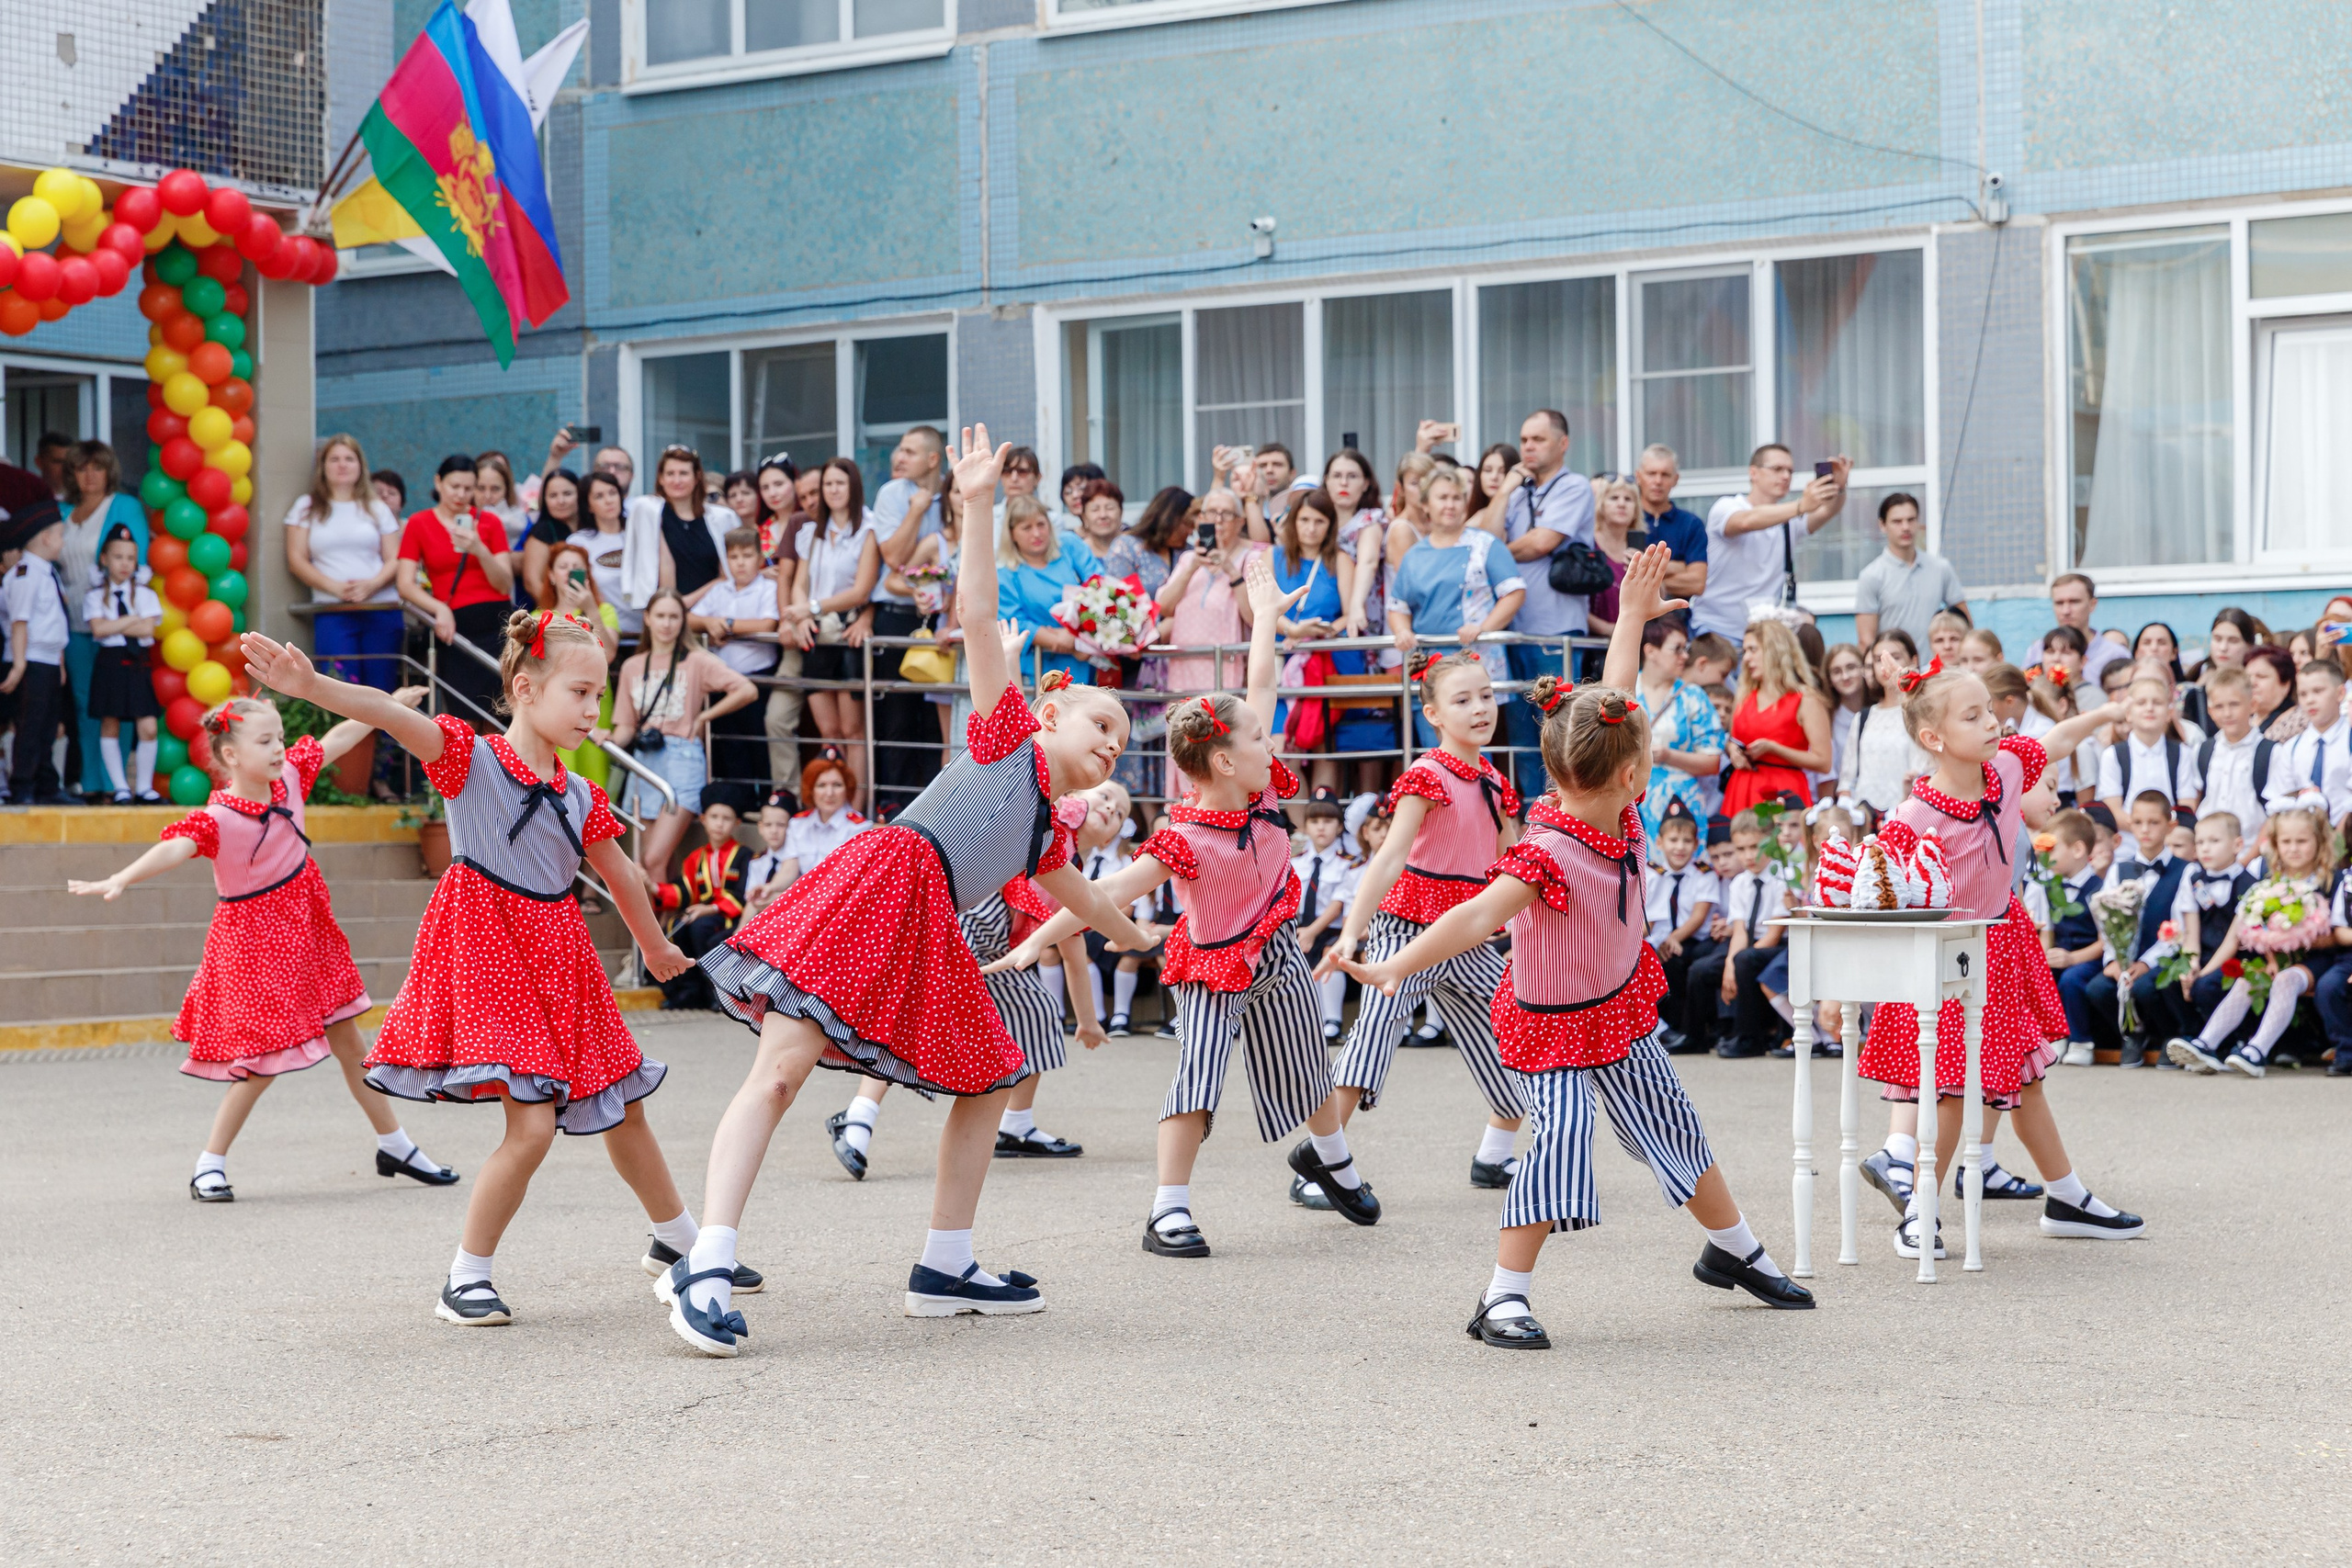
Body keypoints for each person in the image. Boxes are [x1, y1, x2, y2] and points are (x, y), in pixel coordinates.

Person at [684, 428, 1148, 1348]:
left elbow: (1087, 906)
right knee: (779, 1072)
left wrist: (1142, 943)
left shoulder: (1046, 831)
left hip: (923, 918)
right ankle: (706, 1262)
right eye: (1100, 722)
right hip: (880, 883)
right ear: (1049, 711)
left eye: (1122, 742)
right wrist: (975, 505)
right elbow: (977, 617)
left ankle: (946, 1261)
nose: (1109, 744)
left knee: (991, 1073)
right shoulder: (1004, 732)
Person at [1341, 547, 1813, 1348]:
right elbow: (1472, 919)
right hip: (1553, 1025)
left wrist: (1631, 614)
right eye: (1647, 759)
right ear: (1633, 778)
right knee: (1558, 1143)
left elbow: (1616, 701)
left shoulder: (1608, 805)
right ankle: (1501, 1296)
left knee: (1673, 1122)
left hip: (1616, 1010)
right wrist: (1394, 961)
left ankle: (1736, 1250)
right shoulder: (1550, 850)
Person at [240, 611, 721, 1328]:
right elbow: (386, 715)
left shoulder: (581, 793)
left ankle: (682, 1241)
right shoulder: (471, 757)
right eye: (580, 692)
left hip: (563, 958)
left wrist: (653, 948)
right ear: (525, 688)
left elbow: (620, 874)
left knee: (623, 1104)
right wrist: (314, 687)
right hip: (490, 952)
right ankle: (465, 1277)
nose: (594, 710)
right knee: (530, 1128)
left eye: (599, 696)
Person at [1004, 553, 1378, 1259]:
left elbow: (1260, 681)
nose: (1272, 744)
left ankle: (1332, 1160)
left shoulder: (1261, 794)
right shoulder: (1183, 838)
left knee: (1307, 1064)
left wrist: (1265, 616)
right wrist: (1036, 940)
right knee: (1196, 1083)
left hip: (1277, 954)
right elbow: (1105, 891)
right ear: (1226, 763)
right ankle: (1166, 1210)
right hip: (1210, 967)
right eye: (1257, 739)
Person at [65, 692, 456, 1200]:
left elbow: (337, 738)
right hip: (255, 947)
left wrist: (385, 708)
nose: (280, 749)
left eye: (281, 739)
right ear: (231, 756)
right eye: (266, 740)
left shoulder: (289, 777)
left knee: (351, 1043)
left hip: (310, 935)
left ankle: (395, 1145)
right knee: (263, 1060)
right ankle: (209, 1164)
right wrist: (122, 877)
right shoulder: (218, 817)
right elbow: (176, 847)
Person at [1856, 659, 2139, 1258]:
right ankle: (1920, 1214)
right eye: (1974, 714)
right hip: (1946, 960)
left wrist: (2107, 714)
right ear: (1934, 738)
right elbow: (1878, 892)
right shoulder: (1912, 817)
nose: (1993, 721)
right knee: (1953, 1091)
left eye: (1991, 709)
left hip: (2003, 947)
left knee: (2026, 1082)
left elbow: (2054, 740)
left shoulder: (2007, 767)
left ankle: (2066, 1197)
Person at [1308, 647, 1528, 1208]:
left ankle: (1496, 1155)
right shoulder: (1426, 774)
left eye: (1486, 696)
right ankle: (1319, 1168)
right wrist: (1353, 932)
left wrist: (1527, 935)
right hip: (1408, 928)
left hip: (1470, 934)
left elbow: (1514, 866)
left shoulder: (1496, 782)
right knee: (1371, 1043)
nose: (1480, 708)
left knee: (1509, 1038)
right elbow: (1388, 857)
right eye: (1462, 700)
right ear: (1432, 714)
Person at [835, 770, 1122, 1179]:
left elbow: (1075, 954)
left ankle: (1015, 1126)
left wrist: (1090, 1022)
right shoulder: (1060, 818)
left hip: (1000, 948)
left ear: (1112, 838)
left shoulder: (1074, 869)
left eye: (1119, 811)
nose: (1110, 806)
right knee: (919, 1022)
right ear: (1078, 798)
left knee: (1035, 1011)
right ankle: (859, 1118)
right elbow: (1062, 804)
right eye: (1105, 796)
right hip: (969, 920)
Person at [2167, 807, 2336, 1077]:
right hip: (2276, 957)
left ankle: (2257, 1050)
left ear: (2319, 842)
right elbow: (2258, 927)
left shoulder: (2330, 881)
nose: (2293, 849)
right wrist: (2272, 958)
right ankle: (2206, 1043)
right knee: (2248, 979)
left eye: (2301, 841)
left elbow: (2335, 935)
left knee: (2286, 980)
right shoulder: (2270, 882)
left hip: (2317, 959)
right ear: (2275, 845)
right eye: (2286, 842)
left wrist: (2295, 940)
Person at [602, 589, 755, 886]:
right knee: (650, 862)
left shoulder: (697, 660)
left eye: (674, 616)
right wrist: (604, 736)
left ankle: (659, 932)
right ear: (647, 618)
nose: (667, 624)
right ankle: (664, 930)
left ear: (682, 621)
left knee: (654, 858)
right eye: (660, 616)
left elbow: (746, 689)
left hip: (683, 758)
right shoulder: (634, 665)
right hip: (644, 764)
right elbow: (626, 729)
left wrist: (703, 717)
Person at [1490, 412, 1595, 795]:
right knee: (1521, 730)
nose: (1528, 447)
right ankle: (1533, 812)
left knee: (1558, 726)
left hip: (1556, 628)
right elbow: (1483, 540)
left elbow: (1541, 543)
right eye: (1524, 440)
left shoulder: (1575, 486)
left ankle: (1559, 812)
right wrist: (1503, 492)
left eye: (1538, 439)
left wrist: (1498, 553)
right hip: (1514, 629)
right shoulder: (1518, 491)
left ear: (1562, 443)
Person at [1387, 468, 1527, 744]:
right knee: (1433, 744)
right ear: (1426, 504)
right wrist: (1402, 631)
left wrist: (1483, 627)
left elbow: (1514, 592)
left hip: (1476, 663)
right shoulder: (1415, 554)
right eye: (1442, 498)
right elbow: (1398, 605)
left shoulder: (1486, 544)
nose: (1450, 505)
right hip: (1429, 666)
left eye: (1456, 498)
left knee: (1476, 744)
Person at [59, 441, 150, 797]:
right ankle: (92, 783)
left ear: (108, 471)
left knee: (120, 702)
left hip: (116, 625)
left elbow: (137, 563)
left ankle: (118, 784)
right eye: (81, 468)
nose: (89, 475)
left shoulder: (123, 506)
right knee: (85, 703)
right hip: (76, 625)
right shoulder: (63, 510)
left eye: (97, 467)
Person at [397, 455, 514, 727]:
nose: (461, 494)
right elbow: (405, 584)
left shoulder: (489, 522)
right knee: (466, 718)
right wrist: (439, 608)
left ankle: (498, 771)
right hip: (455, 628)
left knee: (502, 719)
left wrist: (479, 550)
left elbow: (504, 583)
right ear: (438, 483)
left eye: (468, 488)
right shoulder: (420, 523)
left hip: (497, 625)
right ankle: (473, 771)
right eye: (454, 486)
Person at [869, 426, 951, 814]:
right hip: (898, 615)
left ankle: (934, 807)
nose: (897, 458)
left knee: (936, 717)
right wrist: (917, 509)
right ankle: (895, 804)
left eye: (908, 451)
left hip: (943, 618)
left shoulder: (953, 492)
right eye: (898, 450)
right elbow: (893, 559)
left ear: (933, 460)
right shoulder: (892, 494)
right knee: (898, 715)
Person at [287, 435, 404, 702]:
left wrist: (371, 585)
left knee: (382, 691)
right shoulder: (306, 507)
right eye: (335, 459)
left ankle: (388, 745)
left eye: (349, 459)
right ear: (323, 466)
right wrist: (336, 588)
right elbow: (296, 559)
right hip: (332, 611)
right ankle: (346, 745)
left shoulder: (377, 507)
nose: (342, 465)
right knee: (339, 690)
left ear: (360, 466)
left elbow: (395, 558)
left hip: (379, 609)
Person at [793, 458, 881, 806]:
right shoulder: (809, 531)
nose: (832, 490)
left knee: (852, 731)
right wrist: (801, 616)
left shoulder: (869, 529)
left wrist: (812, 608)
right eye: (827, 484)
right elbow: (800, 583)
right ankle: (832, 805)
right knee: (828, 730)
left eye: (839, 484)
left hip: (847, 632)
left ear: (853, 487)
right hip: (816, 634)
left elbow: (862, 590)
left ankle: (856, 809)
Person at [1690, 446, 1847, 641]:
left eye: (1790, 471)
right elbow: (1745, 521)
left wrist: (1840, 488)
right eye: (1777, 469)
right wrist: (1801, 506)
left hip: (1760, 638)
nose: (1785, 476)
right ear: (1753, 473)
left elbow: (1827, 512)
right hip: (1714, 633)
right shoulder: (1727, 506)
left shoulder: (1789, 520)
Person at [1270, 486, 1358, 796]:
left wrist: (1326, 630)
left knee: (1320, 741)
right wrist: (1292, 630)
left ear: (1330, 525)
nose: (1311, 528)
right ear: (1293, 522)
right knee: (1280, 749)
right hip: (1282, 661)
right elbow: (1263, 609)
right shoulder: (1274, 556)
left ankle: (1323, 822)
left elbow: (1350, 614)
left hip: (1322, 660)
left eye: (1319, 521)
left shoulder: (1341, 560)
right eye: (1304, 520)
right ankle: (1301, 830)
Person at [691, 527, 783, 792]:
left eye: (747, 555)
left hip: (759, 676)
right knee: (729, 744)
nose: (740, 563)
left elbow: (767, 624)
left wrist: (728, 625)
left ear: (759, 557)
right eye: (733, 557)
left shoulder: (768, 588)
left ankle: (764, 798)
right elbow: (690, 618)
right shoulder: (720, 590)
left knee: (757, 742)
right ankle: (735, 799)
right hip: (724, 681)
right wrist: (709, 622)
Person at [1156, 486, 1266, 705]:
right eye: (1212, 513)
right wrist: (1192, 568)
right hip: (1183, 665)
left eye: (1227, 514)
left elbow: (1255, 618)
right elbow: (1163, 607)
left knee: (1221, 733)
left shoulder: (1251, 559)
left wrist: (1231, 571)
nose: (1218, 520)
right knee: (1183, 733)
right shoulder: (1188, 559)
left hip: (1226, 666)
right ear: (1202, 519)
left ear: (1240, 521)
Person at [2, 501, 78, 804]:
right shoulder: (25, 573)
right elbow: (20, 622)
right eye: (60, 535)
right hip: (29, 659)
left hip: (47, 659)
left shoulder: (47, 572)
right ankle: (22, 785)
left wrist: (58, 662)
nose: (63, 543)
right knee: (29, 725)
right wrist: (19, 665)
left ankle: (46, 785)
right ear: (46, 538)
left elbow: (54, 622)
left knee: (47, 726)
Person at [651, 789, 753, 1011]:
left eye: (726, 819)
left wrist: (710, 909)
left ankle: (716, 993)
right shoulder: (696, 858)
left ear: (736, 823)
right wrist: (651, 887)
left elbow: (743, 894)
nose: (719, 824)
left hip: (728, 918)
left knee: (700, 928)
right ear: (704, 820)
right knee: (676, 928)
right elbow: (683, 892)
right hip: (699, 915)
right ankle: (689, 991)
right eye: (714, 818)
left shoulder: (744, 855)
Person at [82, 527, 164, 801]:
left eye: (131, 558)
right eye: (118, 557)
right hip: (110, 663)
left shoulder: (145, 595)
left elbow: (148, 630)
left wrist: (115, 625)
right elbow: (99, 630)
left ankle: (144, 787)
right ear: (104, 559)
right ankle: (120, 788)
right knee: (110, 723)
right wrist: (133, 619)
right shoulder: (95, 596)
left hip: (138, 662)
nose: (125, 564)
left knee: (148, 725)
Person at [1724, 617, 1830, 813]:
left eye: (1753, 650)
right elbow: (1733, 739)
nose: (1746, 658)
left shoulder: (1805, 699)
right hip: (1741, 788)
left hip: (1784, 792)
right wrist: (1732, 750)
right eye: (1745, 651)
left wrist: (1774, 749)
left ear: (1774, 651)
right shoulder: (1744, 696)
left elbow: (1823, 762)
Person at [1631, 619, 1724, 841]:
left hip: (1682, 807)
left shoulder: (1693, 697)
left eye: (1686, 649)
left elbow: (1713, 763)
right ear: (1651, 651)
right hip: (1630, 802)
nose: (1685, 656)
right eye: (1677, 649)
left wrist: (1668, 756)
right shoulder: (1625, 689)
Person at [999, 494, 1097, 687]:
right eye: (1027, 528)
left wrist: (1083, 638)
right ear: (1012, 534)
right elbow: (1014, 623)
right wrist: (1061, 641)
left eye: (1041, 524)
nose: (1036, 533)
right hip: (1039, 669)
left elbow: (1100, 588)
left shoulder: (1069, 545)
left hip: (1087, 659)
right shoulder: (1006, 575)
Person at [1645, 799, 1720, 1051]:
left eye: (1687, 841)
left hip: (1694, 939)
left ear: (1697, 845)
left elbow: (1699, 916)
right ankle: (1668, 1028)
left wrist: (1675, 938)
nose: (1680, 847)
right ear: (1659, 842)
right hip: (1662, 941)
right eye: (1673, 840)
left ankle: (1694, 1031)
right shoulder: (1651, 874)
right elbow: (1648, 919)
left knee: (1693, 964)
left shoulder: (1704, 873)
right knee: (1663, 965)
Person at [2037, 809, 2109, 1066]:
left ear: (2078, 850)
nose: (2045, 858)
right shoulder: (2049, 887)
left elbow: (2105, 942)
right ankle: (2051, 1036)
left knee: (2072, 979)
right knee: (2041, 977)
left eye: (2052, 851)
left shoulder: (2098, 890)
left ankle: (2081, 1041)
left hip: (2089, 957)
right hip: (2060, 953)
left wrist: (2073, 958)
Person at [1851, 493, 1965, 653]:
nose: (1905, 527)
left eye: (1911, 520)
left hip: (1934, 672)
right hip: (1895, 673)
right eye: (1897, 521)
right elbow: (1866, 641)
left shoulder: (1940, 568)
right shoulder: (1871, 576)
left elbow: (1965, 624)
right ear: (1882, 525)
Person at [2096, 673, 2201, 820]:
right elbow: (2113, 810)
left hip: (2171, 836)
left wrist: (2163, 830)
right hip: (2127, 840)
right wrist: (2143, 829)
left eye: (2157, 703)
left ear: (2169, 713)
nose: (2149, 708)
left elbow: (2187, 805)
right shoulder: (2113, 755)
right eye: (2141, 703)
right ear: (2128, 713)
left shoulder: (2182, 753)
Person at [2263, 659, 2351, 825]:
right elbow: (2281, 799)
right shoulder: (2290, 748)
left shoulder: (2349, 740)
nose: (2309, 700)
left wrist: (2337, 841)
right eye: (2303, 694)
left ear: (2340, 693)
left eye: (2318, 691)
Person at [1631, 444, 1709, 605]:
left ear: (1676, 479)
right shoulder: (1626, 519)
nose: (1658, 481)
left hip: (1674, 614)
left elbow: (1697, 583)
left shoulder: (1691, 524)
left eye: (1665, 475)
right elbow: (1620, 573)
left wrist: (1654, 581)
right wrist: (1678, 567)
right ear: (1638, 476)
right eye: (1651, 473)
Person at [571, 471, 640, 640]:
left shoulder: (641, 534)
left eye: (612, 493)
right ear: (588, 505)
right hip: (605, 633)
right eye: (599, 496)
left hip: (649, 630)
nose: (609, 500)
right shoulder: (579, 542)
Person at [1581, 474, 1640, 637]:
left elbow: (1659, 597)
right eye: (1614, 498)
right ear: (1600, 505)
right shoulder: (1587, 545)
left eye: (1628, 499)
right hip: (1592, 644)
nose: (1621, 504)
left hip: (1632, 640)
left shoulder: (1640, 548)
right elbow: (1571, 602)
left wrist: (1648, 572)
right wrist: (1605, 628)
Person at [2049, 573, 2132, 688]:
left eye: (2074, 602)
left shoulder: (2115, 655)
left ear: (2092, 604)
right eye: (2059, 603)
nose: (2066, 611)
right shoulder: (2037, 652)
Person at [518, 468, 584, 609]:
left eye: (567, 494)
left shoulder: (590, 528)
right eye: (553, 496)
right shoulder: (541, 532)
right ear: (545, 500)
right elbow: (532, 582)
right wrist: (557, 613)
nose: (561, 501)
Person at [1820, 640, 1870, 798]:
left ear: (1863, 669)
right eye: (1836, 671)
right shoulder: (1827, 718)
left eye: (1851, 667)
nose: (1845, 676)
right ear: (1829, 679)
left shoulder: (1880, 710)